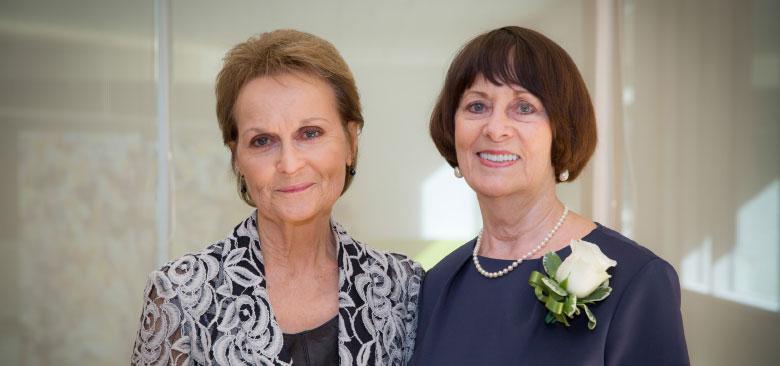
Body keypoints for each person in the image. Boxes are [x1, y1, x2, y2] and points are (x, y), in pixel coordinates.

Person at [131, 29, 423, 366]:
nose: (289, 164)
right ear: (237, 157)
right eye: (262, 141)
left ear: (351, 141)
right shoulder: (179, 295)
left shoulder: (402, 287)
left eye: (310, 133)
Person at [409, 26, 688, 365]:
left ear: (562, 129)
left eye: (524, 107)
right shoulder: (438, 284)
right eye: (477, 106)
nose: (495, 129)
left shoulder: (637, 281)